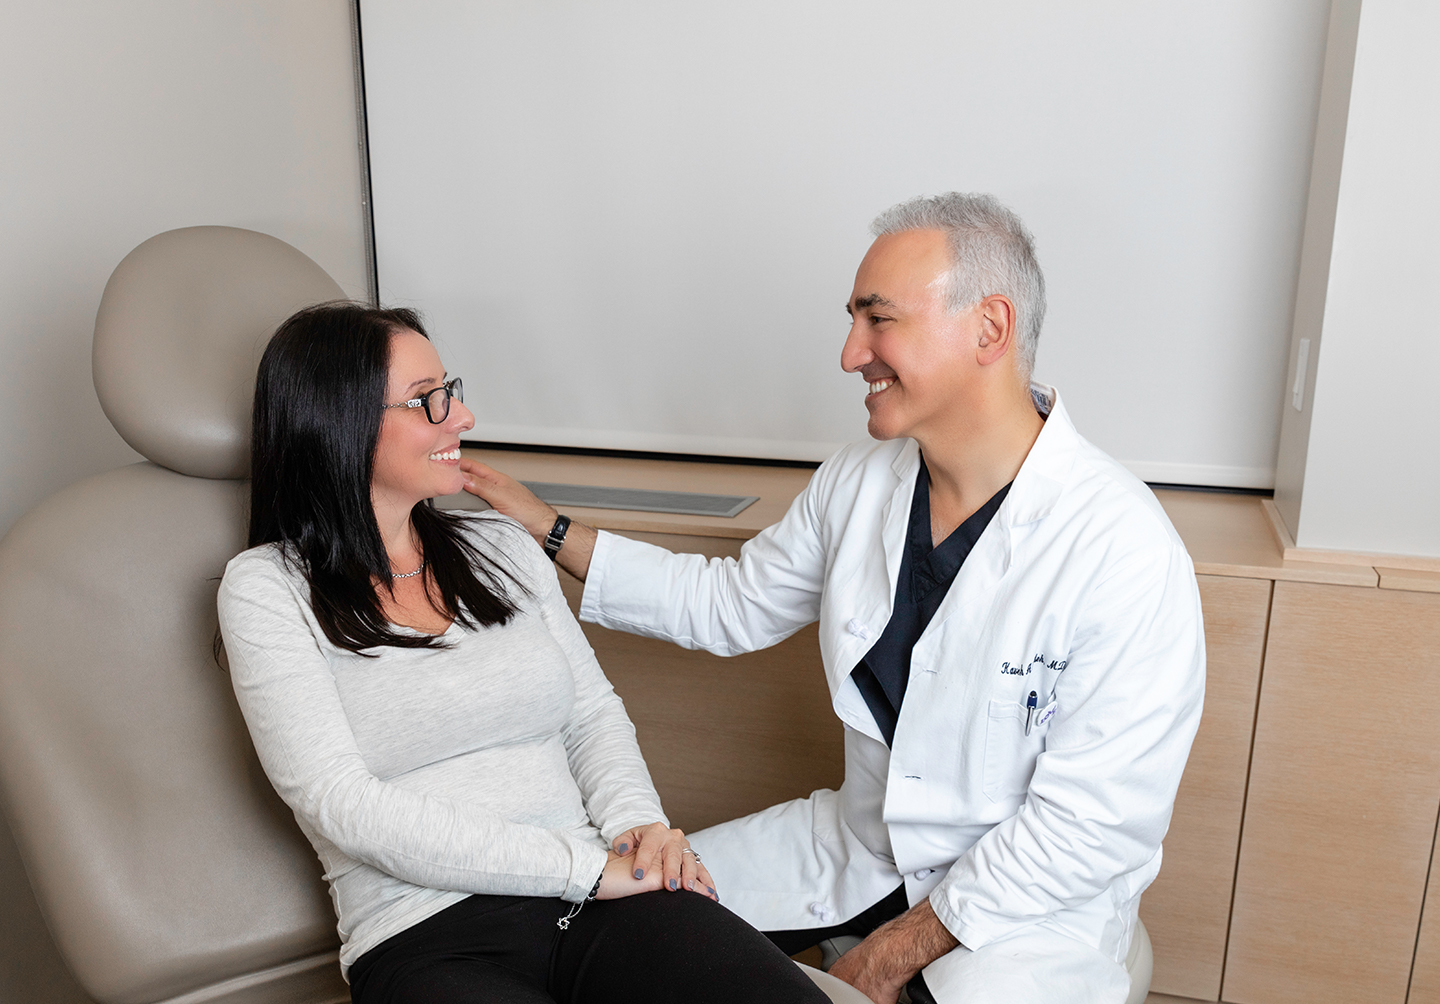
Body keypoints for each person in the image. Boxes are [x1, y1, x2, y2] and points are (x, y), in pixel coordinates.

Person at [460, 193, 1206, 1004]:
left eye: (877, 320)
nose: (852, 354)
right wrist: (550, 528)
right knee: (623, 922)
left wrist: (887, 957)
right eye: (854, 321)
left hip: (1022, 915)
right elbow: (728, 605)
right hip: (858, 848)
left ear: (989, 328)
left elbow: (1087, 829)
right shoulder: (859, 482)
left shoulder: (1122, 550)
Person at [216, 303, 831, 1004]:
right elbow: (342, 805)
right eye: (428, 401)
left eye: (450, 390)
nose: (461, 417)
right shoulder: (267, 589)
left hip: (603, 899)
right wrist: (585, 870)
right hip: (425, 936)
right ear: (339, 422)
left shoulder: (502, 548)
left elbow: (591, 716)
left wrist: (638, 832)